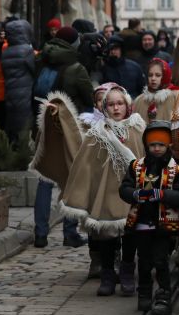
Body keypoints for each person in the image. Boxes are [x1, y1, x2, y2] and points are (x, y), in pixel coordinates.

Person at [61, 84, 146, 295]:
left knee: (130, 235)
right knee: (106, 235)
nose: (116, 108)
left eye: (120, 103)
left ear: (127, 105)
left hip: (131, 193)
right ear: (104, 107)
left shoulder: (137, 129)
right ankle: (108, 274)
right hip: (106, 193)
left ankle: (127, 272)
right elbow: (85, 165)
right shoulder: (96, 134)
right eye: (111, 104)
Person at [31, 26, 94, 249]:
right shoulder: (76, 68)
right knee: (71, 180)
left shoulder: (42, 60)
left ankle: (40, 233)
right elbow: (90, 97)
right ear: (75, 44)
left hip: (44, 126)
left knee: (44, 179)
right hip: (69, 129)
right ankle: (70, 233)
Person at [119, 120, 179, 315]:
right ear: (146, 145)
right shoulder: (136, 166)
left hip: (164, 225)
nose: (157, 149)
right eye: (153, 145)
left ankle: (164, 294)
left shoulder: (177, 168)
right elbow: (124, 188)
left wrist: (162, 195)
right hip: (141, 222)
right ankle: (144, 292)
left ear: (168, 145)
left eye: (161, 145)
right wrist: (134, 194)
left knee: (161, 261)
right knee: (143, 261)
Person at [1, 20, 36, 141]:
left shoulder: (6, 52)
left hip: (10, 94)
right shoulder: (27, 51)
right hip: (25, 95)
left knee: (13, 127)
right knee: (24, 129)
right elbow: (35, 71)